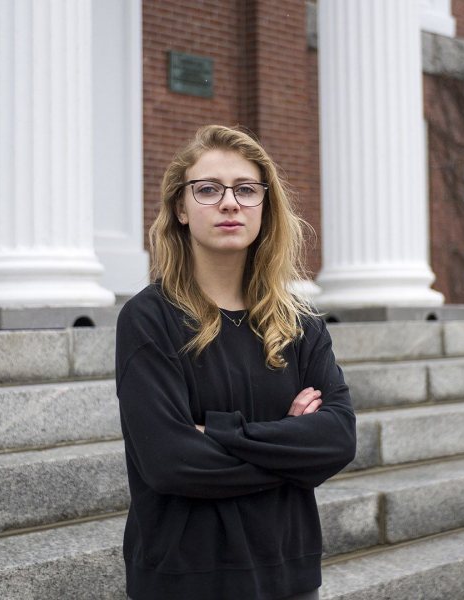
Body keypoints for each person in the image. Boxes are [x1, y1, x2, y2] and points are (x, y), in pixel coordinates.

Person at [115, 124, 357, 600]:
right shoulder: (149, 319)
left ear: (264, 208)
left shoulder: (300, 323)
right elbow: (170, 462)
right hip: (186, 577)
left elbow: (337, 439)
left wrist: (219, 434)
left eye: (246, 190)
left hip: (288, 572)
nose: (230, 203)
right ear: (180, 209)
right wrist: (290, 447)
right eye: (207, 189)